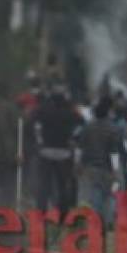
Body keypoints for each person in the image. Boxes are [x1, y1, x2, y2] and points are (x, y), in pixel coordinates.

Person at [34, 86, 82, 223]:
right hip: (64, 153)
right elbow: (81, 124)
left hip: (45, 152)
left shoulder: (44, 111)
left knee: (44, 185)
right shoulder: (70, 112)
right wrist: (73, 138)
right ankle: (63, 215)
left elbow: (32, 123)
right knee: (63, 186)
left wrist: (39, 140)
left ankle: (41, 213)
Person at [76, 97, 121, 224]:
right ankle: (106, 220)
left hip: (90, 166)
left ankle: (95, 219)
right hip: (107, 167)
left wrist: (78, 163)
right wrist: (116, 169)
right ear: (107, 113)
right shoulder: (113, 129)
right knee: (108, 193)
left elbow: (80, 147)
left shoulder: (87, 128)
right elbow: (114, 152)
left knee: (95, 192)